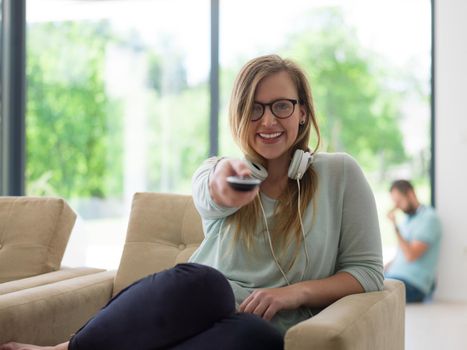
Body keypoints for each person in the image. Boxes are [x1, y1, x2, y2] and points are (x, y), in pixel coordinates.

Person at [0, 54, 383, 350]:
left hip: (254, 329)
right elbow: (212, 193)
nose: (268, 121)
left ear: (302, 112)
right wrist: (226, 184)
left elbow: (367, 273)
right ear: (239, 116)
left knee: (257, 336)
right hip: (189, 307)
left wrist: (291, 294)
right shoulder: (222, 170)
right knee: (207, 283)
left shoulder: (340, 174)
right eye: (254, 108)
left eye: (281, 105)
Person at [384, 180, 442, 303]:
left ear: (410, 194)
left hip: (414, 284)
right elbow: (401, 255)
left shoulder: (429, 218)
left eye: (399, 201)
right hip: (396, 277)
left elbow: (411, 255)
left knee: (368, 291)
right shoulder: (406, 221)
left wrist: (395, 226)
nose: (397, 206)